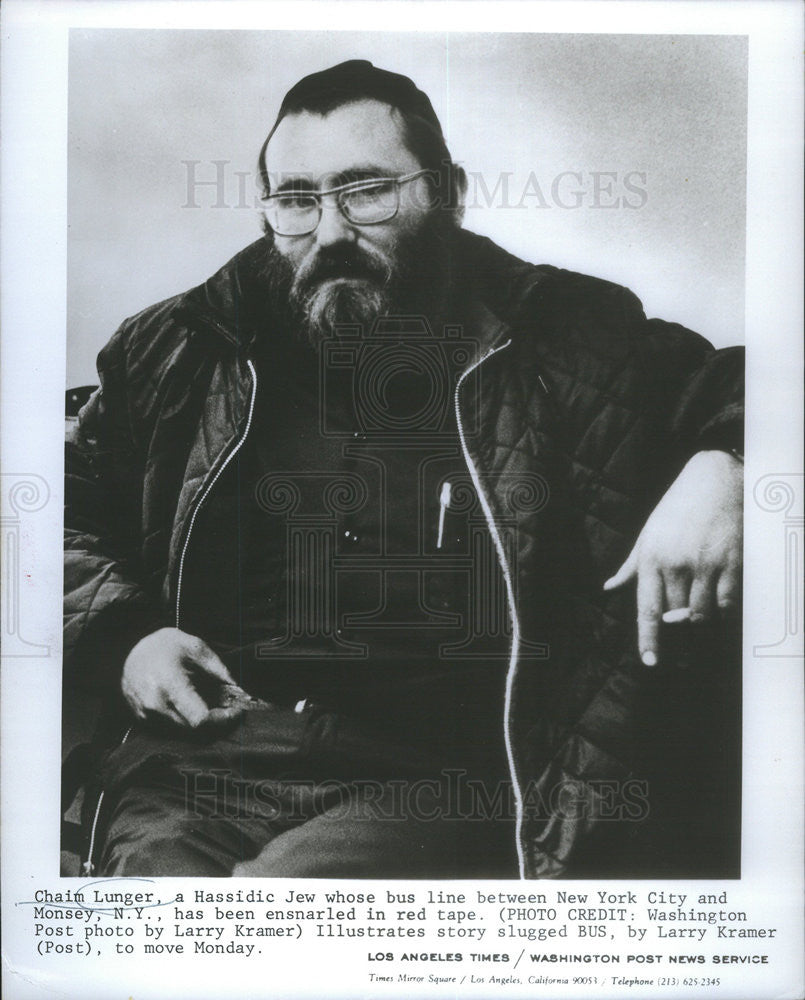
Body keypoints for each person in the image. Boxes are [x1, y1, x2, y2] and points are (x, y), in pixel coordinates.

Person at [64, 60, 744, 879]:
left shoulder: (570, 333)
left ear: (445, 192)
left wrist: (726, 462)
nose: (329, 231)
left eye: (366, 191)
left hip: (429, 781)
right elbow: (46, 513)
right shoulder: (177, 345)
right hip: (199, 766)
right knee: (150, 933)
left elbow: (756, 385)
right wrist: (126, 638)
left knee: (267, 927)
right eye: (296, 199)